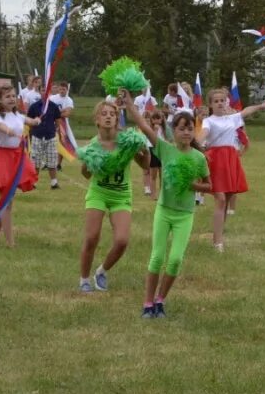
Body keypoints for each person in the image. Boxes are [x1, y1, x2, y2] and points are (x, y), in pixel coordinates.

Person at [123, 93, 211, 318]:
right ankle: (147, 303)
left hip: (185, 214)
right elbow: (143, 125)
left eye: (190, 128)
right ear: (174, 130)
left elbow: (209, 186)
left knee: (175, 260)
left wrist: (192, 185)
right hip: (164, 210)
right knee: (157, 257)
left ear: (194, 132)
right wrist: (130, 104)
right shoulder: (165, 149)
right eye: (181, 128)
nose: (186, 132)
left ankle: (160, 300)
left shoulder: (199, 158)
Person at [77, 98, 149, 291]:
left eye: (112, 114)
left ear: (117, 119)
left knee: (122, 240)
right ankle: (84, 280)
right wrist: (89, 163)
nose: (108, 117)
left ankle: (101, 271)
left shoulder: (127, 141)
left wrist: (146, 152)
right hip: (98, 193)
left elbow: (145, 165)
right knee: (92, 237)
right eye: (104, 114)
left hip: (121, 195)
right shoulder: (93, 144)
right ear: (97, 120)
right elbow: (85, 175)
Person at [198, 88, 265, 252]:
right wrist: (197, 143)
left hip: (230, 160)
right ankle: (217, 242)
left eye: (222, 100)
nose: (219, 103)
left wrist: (260, 106)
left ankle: (218, 236)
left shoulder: (232, 118)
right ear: (210, 105)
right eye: (215, 101)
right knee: (220, 199)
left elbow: (245, 111)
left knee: (228, 198)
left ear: (226, 102)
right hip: (216, 160)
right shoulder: (209, 121)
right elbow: (203, 134)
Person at [0, 86, 41, 247]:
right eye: (7, 96)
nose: (11, 98)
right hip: (2, 158)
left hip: (16, 157)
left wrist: (37, 121)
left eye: (13, 95)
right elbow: (1, 127)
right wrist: (9, 131)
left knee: (7, 201)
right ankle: (11, 242)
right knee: (6, 201)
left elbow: (30, 121)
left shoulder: (18, 115)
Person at [27, 94, 63, 189]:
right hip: (37, 136)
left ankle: (54, 183)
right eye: (43, 90)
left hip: (50, 136)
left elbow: (58, 118)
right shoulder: (34, 106)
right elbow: (29, 119)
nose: (45, 92)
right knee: (35, 160)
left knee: (52, 159)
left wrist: (55, 129)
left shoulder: (53, 106)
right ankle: (33, 182)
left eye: (46, 90)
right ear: (40, 92)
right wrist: (33, 130)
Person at [48, 81, 75, 171]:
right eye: (60, 89)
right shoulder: (52, 98)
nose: (62, 91)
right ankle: (49, 162)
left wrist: (56, 113)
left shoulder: (69, 100)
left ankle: (58, 164)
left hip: (63, 124)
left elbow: (67, 114)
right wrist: (61, 111)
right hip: (51, 122)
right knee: (50, 142)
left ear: (67, 90)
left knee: (62, 143)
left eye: (64, 89)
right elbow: (48, 111)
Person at [142, 109, 167, 199]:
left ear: (161, 119)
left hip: (161, 151)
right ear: (151, 120)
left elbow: (166, 140)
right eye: (154, 119)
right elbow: (153, 140)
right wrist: (155, 130)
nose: (156, 121)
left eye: (158, 118)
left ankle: (162, 194)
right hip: (153, 150)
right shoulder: (150, 129)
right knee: (153, 174)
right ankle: (153, 194)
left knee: (162, 174)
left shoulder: (163, 129)